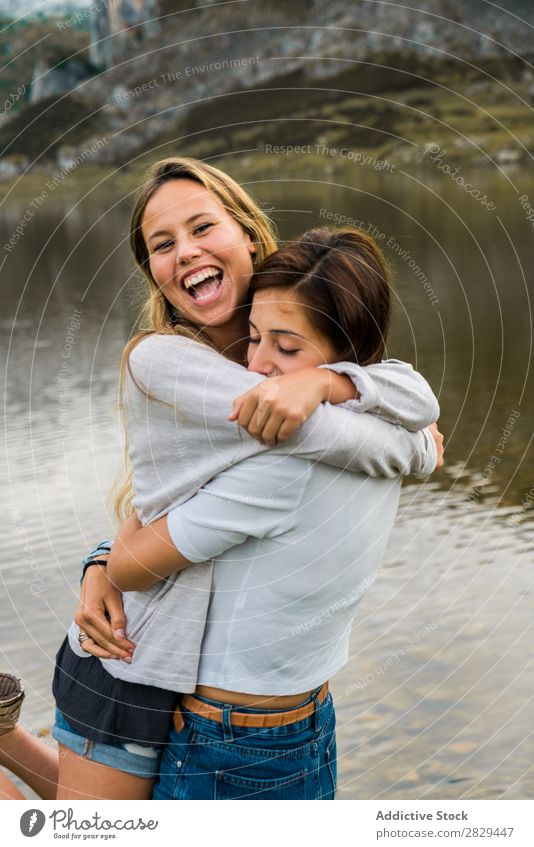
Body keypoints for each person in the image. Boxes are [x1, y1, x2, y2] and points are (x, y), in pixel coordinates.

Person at [0, 158, 440, 800]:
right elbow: (321, 435)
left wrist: (330, 381)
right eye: (161, 244)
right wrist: (413, 446)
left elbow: (407, 392)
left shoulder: (302, 328)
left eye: (203, 227)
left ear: (248, 237)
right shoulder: (164, 360)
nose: (186, 253)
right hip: (134, 655)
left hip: (190, 670)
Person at [102, 226, 444, 799]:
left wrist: (108, 555)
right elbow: (414, 399)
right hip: (312, 718)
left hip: (231, 739)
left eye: (287, 349)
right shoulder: (387, 425)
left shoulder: (280, 461)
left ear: (346, 355)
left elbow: (129, 568)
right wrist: (328, 383)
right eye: (254, 337)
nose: (256, 365)